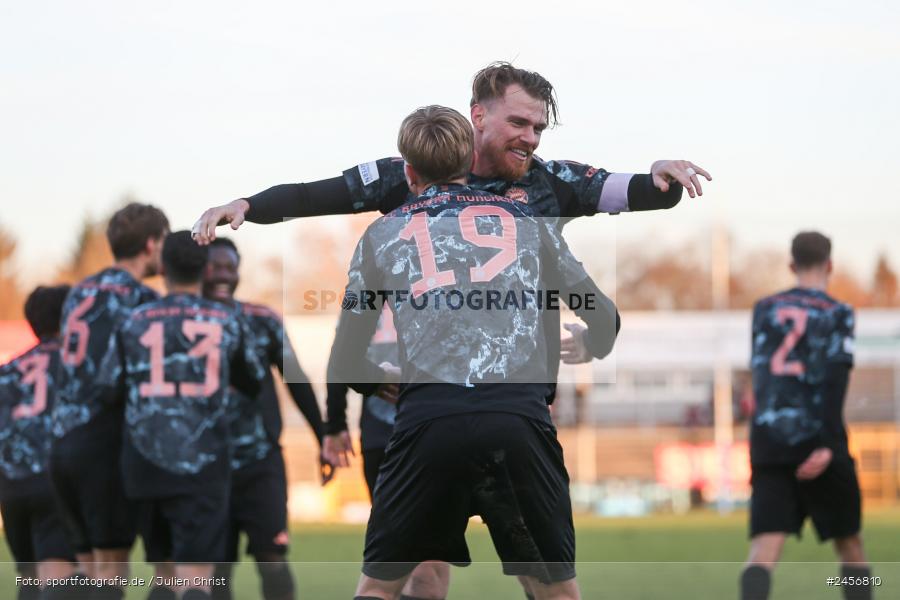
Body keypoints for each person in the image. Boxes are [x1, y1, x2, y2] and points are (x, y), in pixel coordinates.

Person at [328, 105, 619, 600]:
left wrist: (380, 383)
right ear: (469, 157)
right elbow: (603, 317)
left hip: (427, 423)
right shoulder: (528, 220)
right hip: (517, 421)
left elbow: (344, 362)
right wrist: (590, 343)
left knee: (378, 589)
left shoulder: (381, 234)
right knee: (555, 592)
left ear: (409, 170)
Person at [100, 231, 264, 600]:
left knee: (163, 573)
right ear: (206, 269)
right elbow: (254, 381)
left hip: (144, 460)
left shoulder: (133, 321)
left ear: (162, 268)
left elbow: (106, 387)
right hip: (202, 462)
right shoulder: (224, 321)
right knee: (196, 579)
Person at [740, 232, 871, 600]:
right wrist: (828, 445)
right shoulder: (838, 312)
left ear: (791, 265)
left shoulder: (764, 309)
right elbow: (835, 379)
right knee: (851, 548)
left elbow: (763, 374)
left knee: (763, 552)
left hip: (770, 443)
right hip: (820, 439)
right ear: (830, 265)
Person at [200, 236, 332, 600]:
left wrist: (324, 437)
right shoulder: (184, 322)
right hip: (206, 466)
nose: (224, 275)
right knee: (215, 569)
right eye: (215, 266)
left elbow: (298, 380)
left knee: (272, 560)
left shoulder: (262, 319)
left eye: (231, 267)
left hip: (261, 463)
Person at [49, 202, 169, 600]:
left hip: (62, 439)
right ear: (152, 244)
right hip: (104, 439)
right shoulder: (142, 298)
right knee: (112, 573)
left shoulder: (78, 292)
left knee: (89, 570)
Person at [0, 285, 76, 600]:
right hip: (55, 481)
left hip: (12, 487)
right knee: (59, 581)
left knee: (29, 578)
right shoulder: (76, 365)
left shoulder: (8, 371)